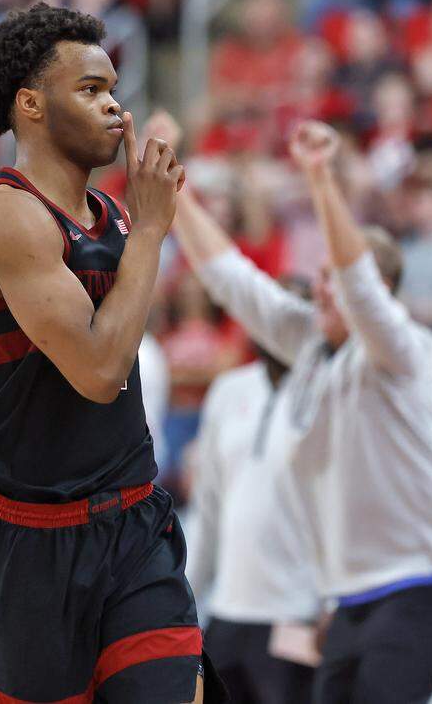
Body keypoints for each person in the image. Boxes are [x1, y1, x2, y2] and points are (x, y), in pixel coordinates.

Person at [0, 3, 215, 703]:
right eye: (91, 90)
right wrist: (154, 234)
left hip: (131, 525)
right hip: (30, 547)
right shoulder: (5, 217)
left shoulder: (116, 216)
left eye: (113, 89)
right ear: (31, 105)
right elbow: (100, 371)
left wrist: (144, 228)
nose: (115, 109)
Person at [172, 120, 432, 703]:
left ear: (384, 288)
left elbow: (360, 287)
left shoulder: (405, 349)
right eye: (317, 277)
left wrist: (320, 179)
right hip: (351, 593)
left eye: (330, 277)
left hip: (423, 578)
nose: (320, 289)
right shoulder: (312, 346)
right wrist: (173, 192)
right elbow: (232, 279)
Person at [187, 285, 319, 704]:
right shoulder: (228, 390)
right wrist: (187, 602)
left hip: (296, 612)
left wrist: (330, 605)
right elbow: (208, 506)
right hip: (227, 609)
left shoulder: (329, 393)